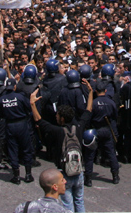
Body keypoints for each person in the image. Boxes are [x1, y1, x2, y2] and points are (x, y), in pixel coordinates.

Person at [30, 78, 94, 213]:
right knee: (79, 200)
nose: (56, 117)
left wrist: (32, 104)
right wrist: (90, 92)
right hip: (79, 171)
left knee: (67, 204)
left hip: (64, 173)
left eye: (58, 115)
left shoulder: (58, 131)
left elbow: (39, 121)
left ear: (62, 118)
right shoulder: (79, 127)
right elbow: (88, 110)